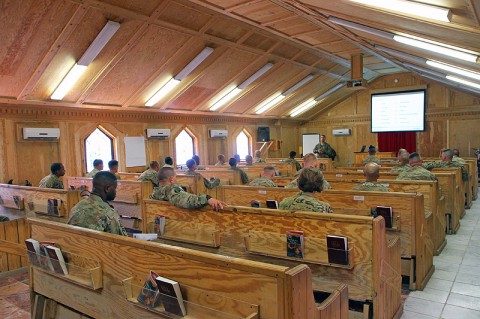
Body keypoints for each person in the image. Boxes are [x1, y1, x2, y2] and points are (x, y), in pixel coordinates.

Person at [67, 171, 127, 236]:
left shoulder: (78, 206)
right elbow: (121, 239)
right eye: (115, 188)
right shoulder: (108, 212)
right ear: (107, 188)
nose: (115, 191)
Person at [150, 167, 226, 209]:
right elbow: (186, 200)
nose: (176, 179)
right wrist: (207, 198)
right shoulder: (171, 190)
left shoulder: (155, 193)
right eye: (175, 177)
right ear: (171, 179)